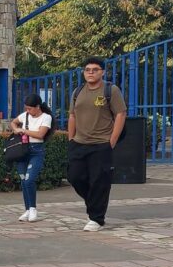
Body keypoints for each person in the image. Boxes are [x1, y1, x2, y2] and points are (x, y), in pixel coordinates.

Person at [66, 56, 127, 232]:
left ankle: (96, 218)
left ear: (102, 72)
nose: (91, 73)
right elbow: (72, 115)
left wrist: (112, 140)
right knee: (75, 177)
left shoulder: (110, 90)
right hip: (79, 142)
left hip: (101, 143)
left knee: (99, 181)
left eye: (95, 70)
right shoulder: (78, 91)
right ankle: (94, 203)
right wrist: (71, 138)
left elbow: (121, 114)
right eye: (87, 70)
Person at [8, 93, 52, 222]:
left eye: (30, 108)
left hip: (36, 151)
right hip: (23, 151)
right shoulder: (25, 116)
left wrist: (24, 131)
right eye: (26, 108)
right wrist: (15, 129)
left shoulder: (46, 117)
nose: (28, 111)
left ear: (37, 107)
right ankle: (27, 209)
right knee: (23, 180)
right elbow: (13, 122)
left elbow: (40, 134)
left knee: (29, 179)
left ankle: (33, 208)